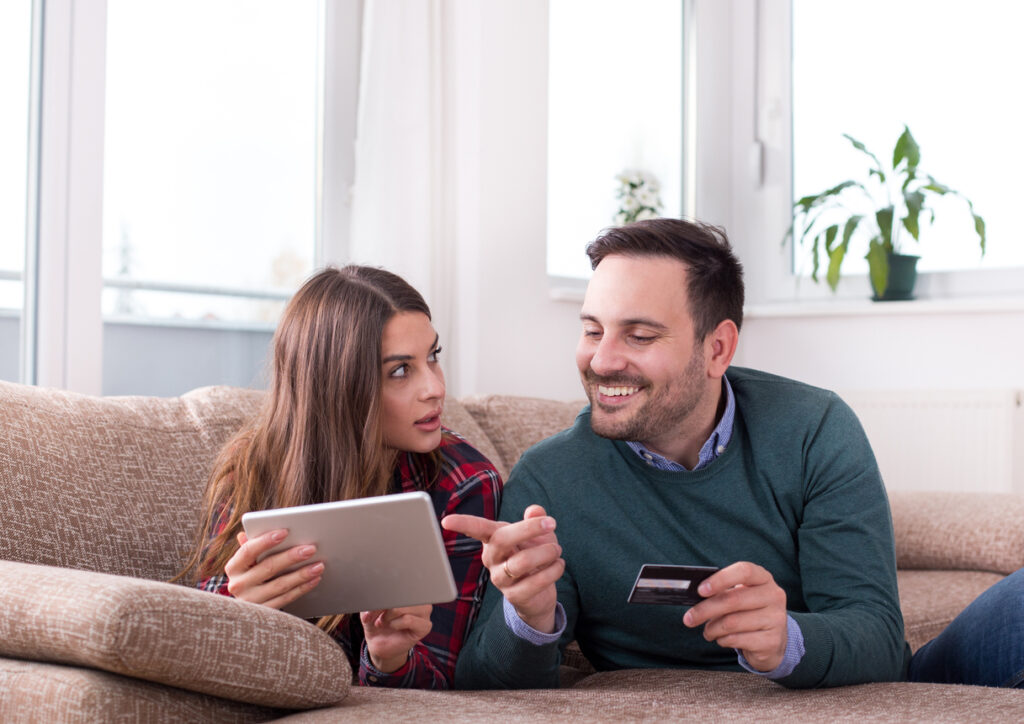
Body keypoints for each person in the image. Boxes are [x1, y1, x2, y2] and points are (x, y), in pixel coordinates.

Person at [443, 217, 1024, 690]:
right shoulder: (550, 478)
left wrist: (787, 639)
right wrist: (530, 616)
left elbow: (875, 638)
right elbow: (487, 685)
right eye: (593, 330)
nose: (602, 360)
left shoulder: (813, 427)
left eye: (639, 336)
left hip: (848, 692)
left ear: (717, 347)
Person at [180, 265, 502, 690]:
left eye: (433, 357)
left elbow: (441, 678)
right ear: (338, 387)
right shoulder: (253, 467)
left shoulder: (465, 483)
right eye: (401, 371)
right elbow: (194, 650)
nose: (436, 388)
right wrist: (234, 610)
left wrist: (389, 658)